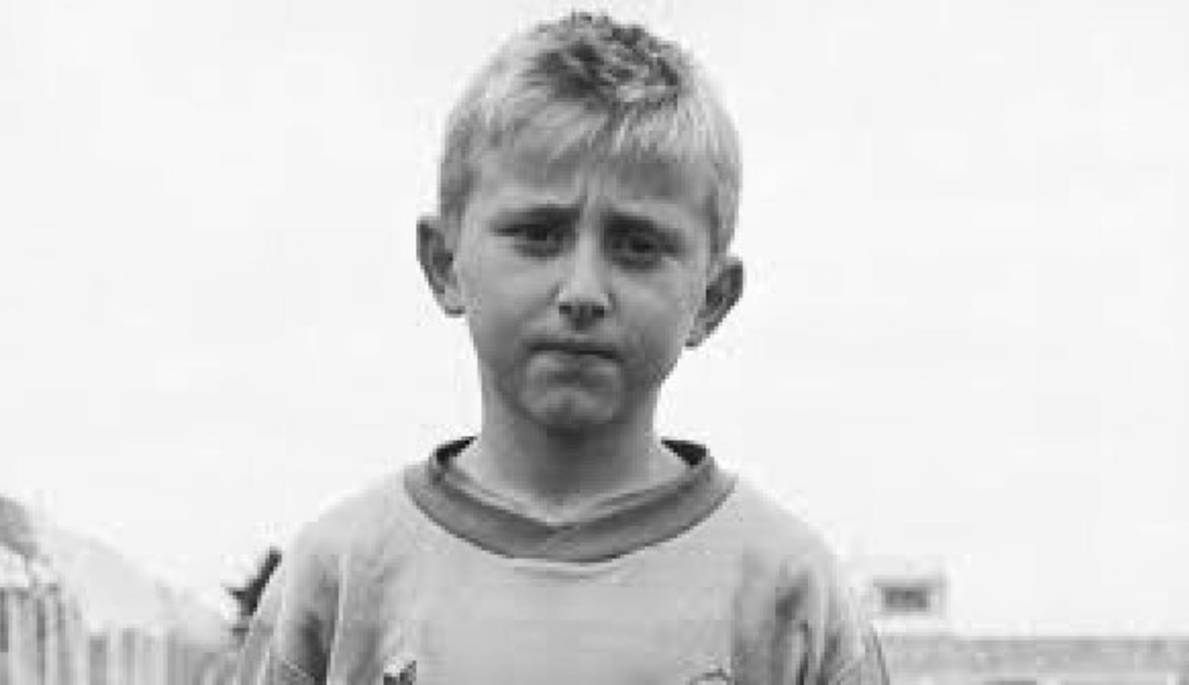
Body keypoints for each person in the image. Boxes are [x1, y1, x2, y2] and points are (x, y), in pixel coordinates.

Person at [237, 12, 888, 685]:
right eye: (538, 232)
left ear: (712, 297)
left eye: (638, 245)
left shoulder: (792, 598)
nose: (583, 290)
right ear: (443, 261)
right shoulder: (338, 583)